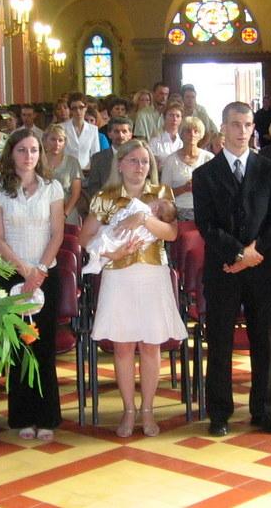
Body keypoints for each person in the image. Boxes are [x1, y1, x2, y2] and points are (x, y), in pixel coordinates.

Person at [80, 139, 186, 437]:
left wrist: (144, 218)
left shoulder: (161, 193)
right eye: (133, 161)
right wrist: (110, 253)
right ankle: (128, 410)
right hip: (118, 276)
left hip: (152, 274)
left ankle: (148, 410)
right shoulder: (106, 197)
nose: (140, 167)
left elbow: (172, 233)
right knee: (123, 346)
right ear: (120, 164)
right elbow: (84, 238)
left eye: (145, 161)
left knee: (151, 345)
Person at [193, 101, 271, 436]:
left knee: (263, 339)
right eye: (235, 124)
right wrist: (236, 254)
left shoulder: (269, 169)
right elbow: (206, 224)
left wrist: (253, 252)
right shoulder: (204, 174)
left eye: (247, 125)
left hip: (261, 267)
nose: (242, 131)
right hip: (223, 268)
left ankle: (263, 410)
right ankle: (219, 412)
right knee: (220, 341)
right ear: (223, 128)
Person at [0, 129, 64, 440]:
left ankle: (46, 417)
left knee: (43, 347)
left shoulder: (52, 187)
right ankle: (22, 416)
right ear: (11, 153)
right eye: (22, 150)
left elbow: (57, 233)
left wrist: (40, 270)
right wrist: (24, 270)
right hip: (12, 275)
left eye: (33, 150)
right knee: (18, 346)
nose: (28, 155)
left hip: (46, 274)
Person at [82, 197, 177, 274]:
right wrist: (114, 255)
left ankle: (96, 261)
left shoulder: (158, 197)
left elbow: (172, 234)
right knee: (102, 241)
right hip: (115, 267)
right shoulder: (106, 195)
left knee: (103, 242)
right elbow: (83, 238)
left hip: (151, 268)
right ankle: (97, 262)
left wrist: (142, 217)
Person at [160, 116, 213, 221]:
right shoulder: (171, 160)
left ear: (201, 135)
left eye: (196, 131)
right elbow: (164, 194)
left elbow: (217, 189)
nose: (192, 134)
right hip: (178, 211)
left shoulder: (209, 158)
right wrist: (184, 189)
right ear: (181, 134)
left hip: (206, 210)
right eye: (188, 131)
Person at [85, 116, 134, 202]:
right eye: (116, 131)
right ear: (109, 134)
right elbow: (93, 187)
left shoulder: (137, 158)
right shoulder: (98, 158)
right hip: (105, 203)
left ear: (130, 135)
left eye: (124, 131)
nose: (120, 135)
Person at [43, 124, 83, 226]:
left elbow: (76, 194)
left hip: (67, 210)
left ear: (65, 143)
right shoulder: (38, 161)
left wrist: (64, 215)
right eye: (53, 139)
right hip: (42, 211)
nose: (57, 144)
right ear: (45, 141)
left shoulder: (72, 162)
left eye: (60, 140)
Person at [63, 93, 101, 170]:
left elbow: (95, 154)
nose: (78, 111)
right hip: (66, 170)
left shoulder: (93, 129)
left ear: (86, 108)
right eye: (74, 108)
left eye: (81, 107)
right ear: (70, 110)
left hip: (87, 171)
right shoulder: (62, 127)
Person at [149, 101, 184, 166]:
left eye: (178, 116)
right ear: (165, 117)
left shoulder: (183, 143)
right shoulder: (155, 141)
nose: (175, 119)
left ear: (181, 119)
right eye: (171, 115)